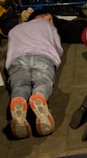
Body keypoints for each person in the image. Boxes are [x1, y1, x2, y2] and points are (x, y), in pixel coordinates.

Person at [6, 10, 63, 139]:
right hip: (41, 56)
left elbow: (11, 47)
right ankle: (39, 96)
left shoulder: (16, 29)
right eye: (50, 19)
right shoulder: (48, 28)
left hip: (17, 59)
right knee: (43, 80)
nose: (50, 22)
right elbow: (57, 48)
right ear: (41, 16)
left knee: (20, 84)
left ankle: (19, 99)